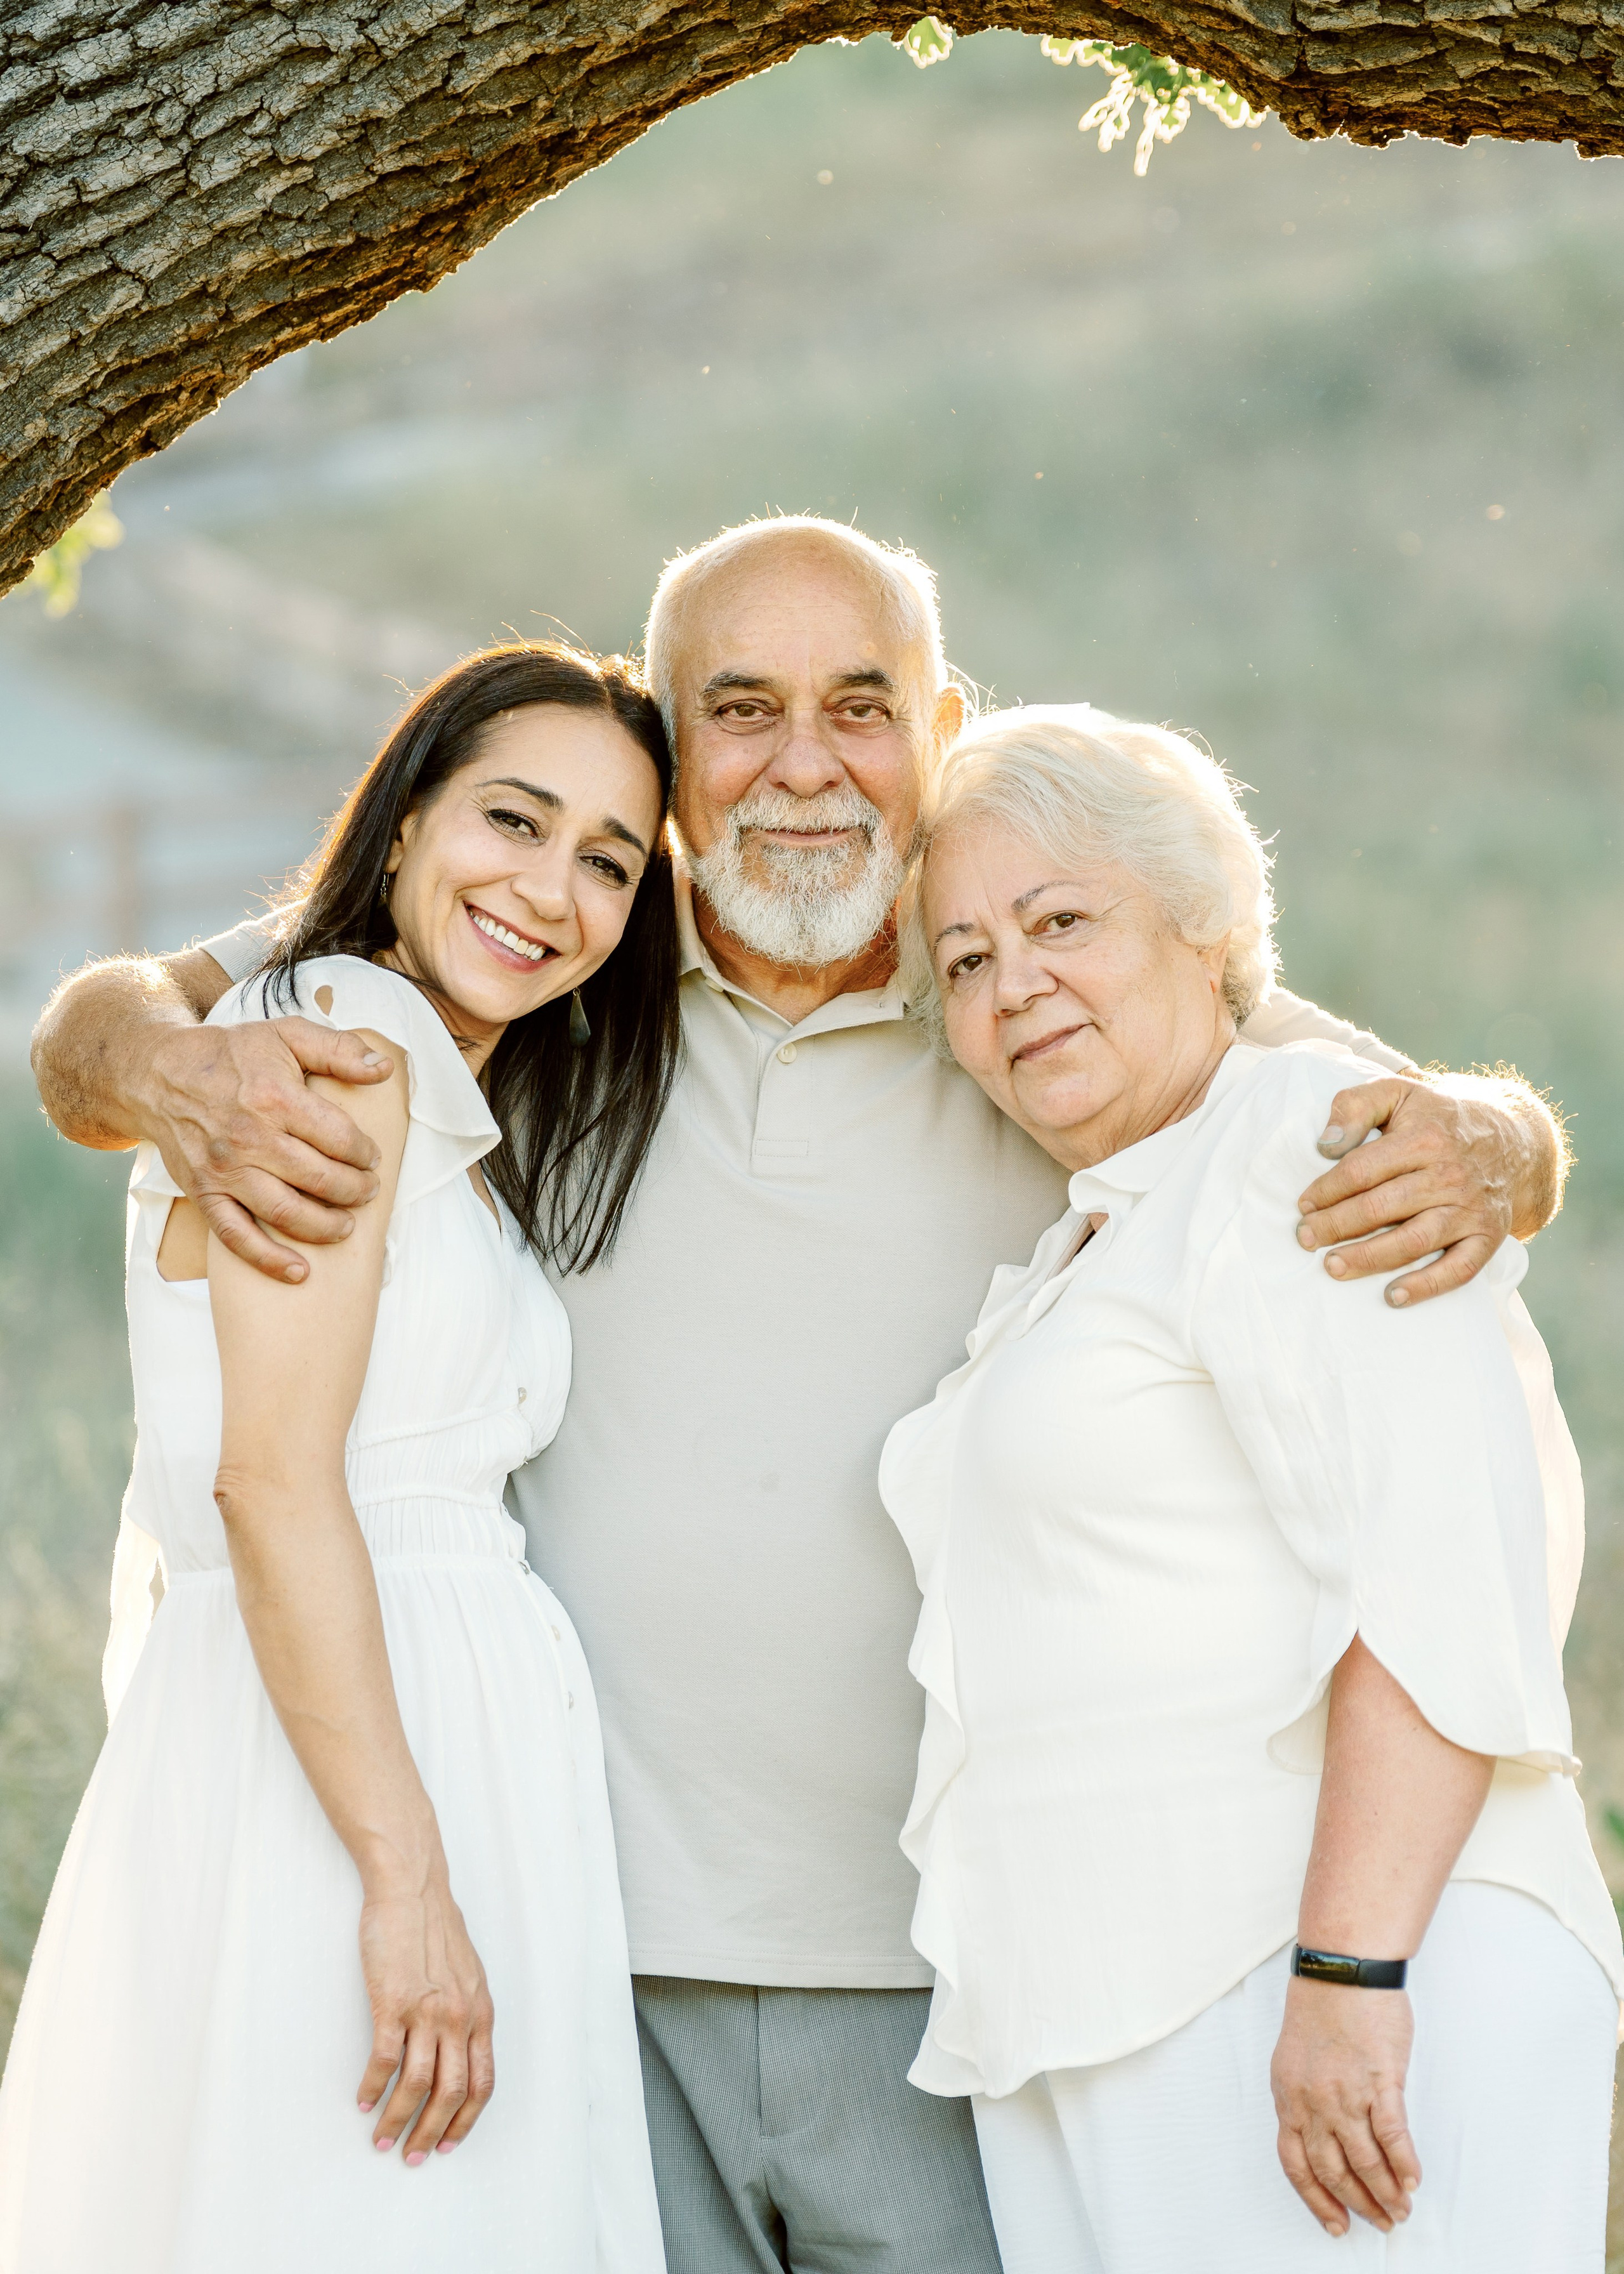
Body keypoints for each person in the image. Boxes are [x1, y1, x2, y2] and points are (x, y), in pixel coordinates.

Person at [30, 520, 1571, 2274]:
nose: (804, 765)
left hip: (951, 1977)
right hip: (592, 1951)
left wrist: (1504, 1137)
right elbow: (119, 1026)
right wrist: (167, 1071)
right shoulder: (553, 954)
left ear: (937, 728)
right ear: (671, 751)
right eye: (741, 709)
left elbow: (1373, 1113)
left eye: (860, 705)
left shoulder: (1018, 980)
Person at [882, 704, 1622, 2271]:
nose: (1013, 983)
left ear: (1205, 923)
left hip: (1321, 1990)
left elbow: (1434, 1563)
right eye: (964, 959)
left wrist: (1348, 1977)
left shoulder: (1302, 1143)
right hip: (1128, 2011)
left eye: (1059, 922)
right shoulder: (1100, 1231)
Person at [0, 645, 678, 2273]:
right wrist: (405, 1878)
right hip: (365, 1774)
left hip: (402, 1749)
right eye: (513, 819)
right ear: (402, 820)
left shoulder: (427, 1076)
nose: (552, 889)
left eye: (607, 861)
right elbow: (274, 1482)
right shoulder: (343, 1041)